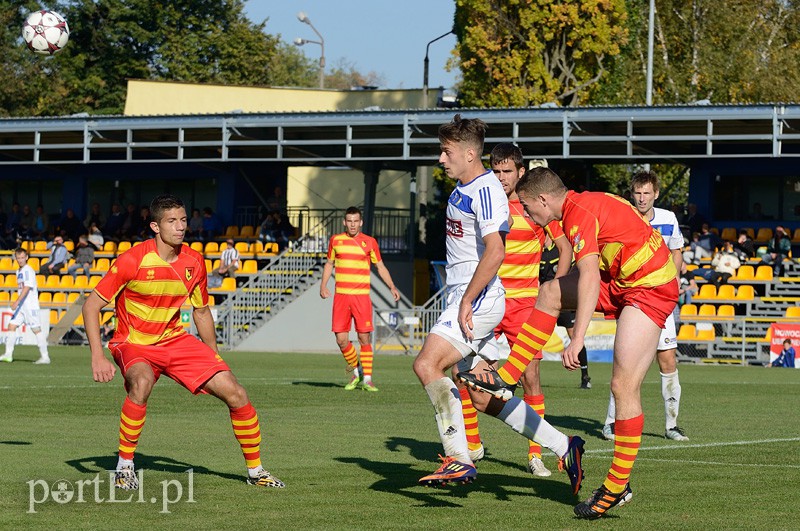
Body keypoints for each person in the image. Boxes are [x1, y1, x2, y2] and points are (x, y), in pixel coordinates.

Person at [458, 166, 678, 518]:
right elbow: (583, 271)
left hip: (650, 287)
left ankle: (616, 487)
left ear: (543, 199)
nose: (528, 215)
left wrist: (577, 337)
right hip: (622, 278)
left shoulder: (577, 213)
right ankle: (508, 378)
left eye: (529, 208)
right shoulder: (574, 208)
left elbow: (589, 275)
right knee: (549, 292)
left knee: (623, 387)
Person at [411, 115, 584, 494]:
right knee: (479, 394)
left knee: (426, 363)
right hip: (469, 296)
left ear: (469, 153)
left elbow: (495, 250)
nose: (441, 159)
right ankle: (565, 446)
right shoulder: (467, 187)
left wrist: (468, 299)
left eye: (447, 151)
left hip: (478, 300)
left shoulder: (486, 191)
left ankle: (458, 457)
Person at [81, 194, 284, 490]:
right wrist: (97, 357)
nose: (180, 227)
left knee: (237, 393)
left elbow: (201, 311)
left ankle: (257, 472)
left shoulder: (194, 261)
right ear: (155, 226)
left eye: (184, 220)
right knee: (142, 383)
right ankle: (125, 466)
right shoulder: (132, 260)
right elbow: (91, 306)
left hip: (174, 341)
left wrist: (214, 357)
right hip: (133, 342)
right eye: (172, 221)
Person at [455, 143, 572, 478]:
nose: (502, 177)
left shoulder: (533, 206)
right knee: (465, 374)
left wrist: (556, 288)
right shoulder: (486, 202)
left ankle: (536, 454)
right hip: (489, 301)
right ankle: (473, 447)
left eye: (508, 171)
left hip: (523, 305)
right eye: (496, 170)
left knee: (530, 377)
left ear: (521, 173)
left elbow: (564, 248)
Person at [602, 171, 688, 443]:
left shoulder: (668, 219)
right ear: (632, 194)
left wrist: (673, 281)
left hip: (660, 298)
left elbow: (677, 251)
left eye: (646, 193)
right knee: (624, 364)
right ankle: (611, 422)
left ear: (656, 194)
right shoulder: (624, 216)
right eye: (637, 193)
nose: (641, 198)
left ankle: (672, 425)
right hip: (632, 300)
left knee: (668, 359)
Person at [319, 206, 400, 392]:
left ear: (361, 222)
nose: (353, 224)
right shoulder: (336, 240)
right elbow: (329, 263)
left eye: (356, 221)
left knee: (364, 337)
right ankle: (357, 371)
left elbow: (380, 266)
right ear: (344, 222)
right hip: (341, 297)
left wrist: (392, 286)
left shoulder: (370, 242)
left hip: (361, 297)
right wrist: (323, 285)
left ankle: (367, 380)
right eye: (349, 221)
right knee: (341, 339)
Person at [0, 247, 50, 364]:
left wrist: (17, 301)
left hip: (30, 306)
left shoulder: (28, 270)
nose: (21, 260)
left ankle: (45, 357)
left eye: (23, 257)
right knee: (11, 325)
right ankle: (8, 354)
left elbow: (27, 287)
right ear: (16, 259)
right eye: (19, 258)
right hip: (22, 307)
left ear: (27, 257)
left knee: (36, 329)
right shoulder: (19, 271)